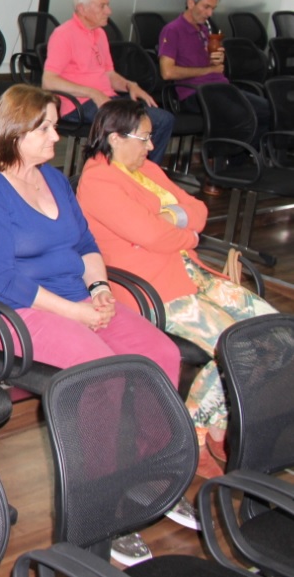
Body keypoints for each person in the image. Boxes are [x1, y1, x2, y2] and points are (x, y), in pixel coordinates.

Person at [0, 85, 183, 564]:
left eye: (54, 126)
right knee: (103, 376)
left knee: (161, 355)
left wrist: (99, 290)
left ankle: (148, 475)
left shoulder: (55, 180)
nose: (57, 136)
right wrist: (76, 312)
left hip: (79, 298)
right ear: (15, 131)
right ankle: (98, 511)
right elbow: (1, 280)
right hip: (17, 313)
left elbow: (85, 244)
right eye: (45, 128)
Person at [76, 98, 276, 478]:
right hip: (154, 287)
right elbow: (152, 235)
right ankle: (194, 437)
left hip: (190, 272)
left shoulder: (147, 169)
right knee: (236, 344)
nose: (152, 146)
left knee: (274, 331)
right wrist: (185, 232)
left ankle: (215, 425)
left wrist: (173, 221)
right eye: (144, 138)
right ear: (116, 138)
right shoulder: (97, 180)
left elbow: (198, 209)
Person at [42, 0, 174, 164]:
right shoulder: (63, 34)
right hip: (78, 105)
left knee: (163, 119)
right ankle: (123, 171)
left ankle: (142, 171)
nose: (109, 11)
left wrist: (129, 85)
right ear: (82, 9)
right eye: (102, 6)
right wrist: (92, 92)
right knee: (134, 124)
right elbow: (48, 81)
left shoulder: (100, 34)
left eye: (107, 5)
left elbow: (109, 74)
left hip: (107, 99)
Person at [158, 0, 270, 138]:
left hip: (221, 88)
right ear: (191, 3)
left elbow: (208, 65)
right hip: (195, 92)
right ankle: (231, 150)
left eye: (213, 8)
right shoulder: (172, 30)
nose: (210, 13)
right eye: (206, 7)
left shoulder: (204, 30)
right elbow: (167, 72)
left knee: (271, 110)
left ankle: (249, 151)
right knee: (244, 115)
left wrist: (215, 60)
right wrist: (209, 70)